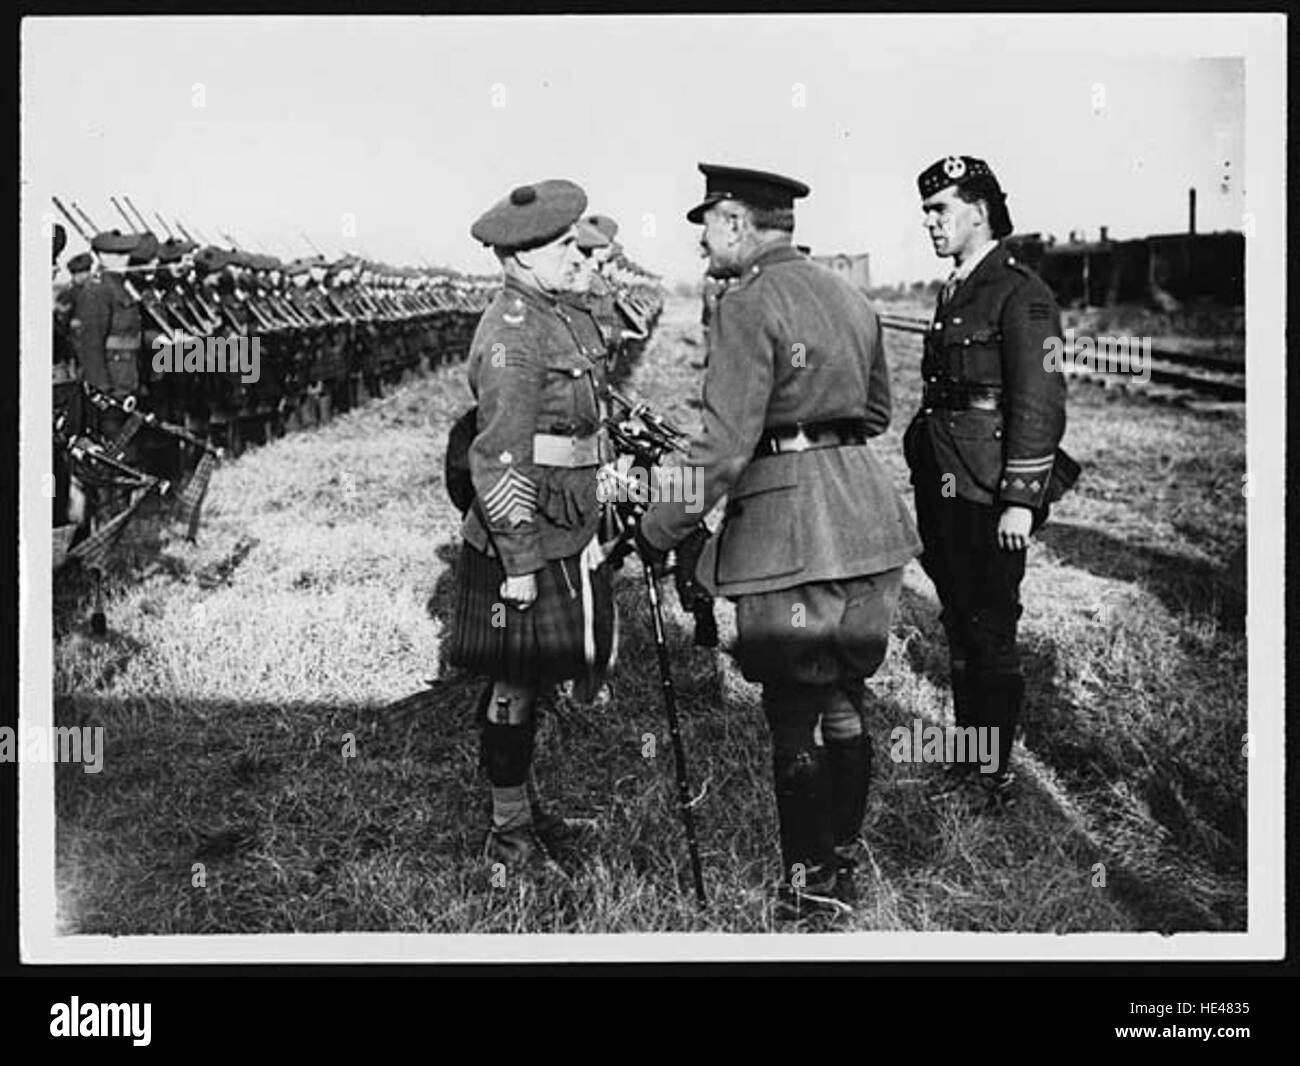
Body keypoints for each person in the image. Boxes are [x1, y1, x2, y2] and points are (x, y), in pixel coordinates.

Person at [636, 163, 922, 921]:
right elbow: (878, 413)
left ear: (734, 223)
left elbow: (723, 450)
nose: (701, 242)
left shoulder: (745, 304)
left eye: (706, 225)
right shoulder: (851, 297)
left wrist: (658, 522)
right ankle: (844, 861)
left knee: (793, 709)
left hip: (788, 532)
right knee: (845, 693)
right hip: (866, 519)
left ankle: (809, 885)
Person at [449, 179, 618, 872]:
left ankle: (527, 809)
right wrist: (518, 561)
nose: (573, 256)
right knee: (514, 685)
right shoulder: (514, 334)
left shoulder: (561, 314)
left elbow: (583, 419)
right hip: (524, 535)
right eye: (559, 247)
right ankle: (509, 831)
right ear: (518, 258)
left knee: (537, 679)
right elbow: (498, 457)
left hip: (567, 521)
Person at [903, 155, 1072, 809]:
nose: (929, 223)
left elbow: (1042, 401)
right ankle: (971, 760)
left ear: (978, 211)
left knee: (990, 629)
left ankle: (995, 775)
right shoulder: (956, 288)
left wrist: (1020, 503)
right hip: (945, 482)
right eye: (926, 211)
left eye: (939, 209)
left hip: (990, 491)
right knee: (961, 624)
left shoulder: (1022, 292)